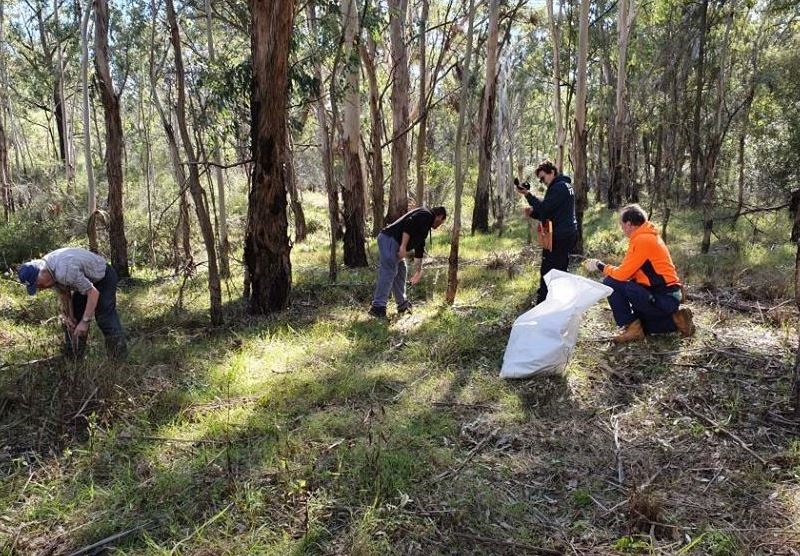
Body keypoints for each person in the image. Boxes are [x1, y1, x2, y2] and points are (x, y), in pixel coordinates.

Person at [583, 204, 695, 343]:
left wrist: (600, 266)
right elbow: (629, 271)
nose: (622, 229)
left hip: (662, 295)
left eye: (622, 225)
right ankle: (675, 320)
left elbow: (623, 274)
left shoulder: (643, 240)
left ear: (629, 224)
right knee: (644, 324)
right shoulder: (646, 236)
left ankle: (636, 328)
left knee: (611, 283)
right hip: (663, 294)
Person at [17, 247, 128, 359]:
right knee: (74, 318)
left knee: (104, 317)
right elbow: (64, 293)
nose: (40, 288)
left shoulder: (64, 271)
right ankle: (74, 357)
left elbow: (93, 293)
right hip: (84, 280)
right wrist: (69, 316)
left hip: (103, 277)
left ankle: (119, 359)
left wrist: (85, 321)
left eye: (38, 284)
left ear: (41, 271)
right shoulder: (49, 272)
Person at [368, 206, 447, 318]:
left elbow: (419, 247)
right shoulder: (426, 214)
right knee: (389, 271)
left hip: (394, 242)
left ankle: (402, 305)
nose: (439, 226)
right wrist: (403, 247)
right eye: (441, 222)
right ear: (439, 216)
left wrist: (418, 271)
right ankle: (378, 307)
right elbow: (409, 224)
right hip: (390, 239)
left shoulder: (426, 222)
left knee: (401, 270)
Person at [516, 160, 577, 304]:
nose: (542, 182)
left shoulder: (559, 187)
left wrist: (528, 195)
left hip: (560, 236)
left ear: (552, 173)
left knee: (548, 270)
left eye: (543, 178)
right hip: (566, 234)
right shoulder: (564, 186)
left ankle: (544, 302)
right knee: (559, 269)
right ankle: (557, 301)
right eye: (540, 180)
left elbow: (544, 208)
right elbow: (551, 212)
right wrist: (532, 212)